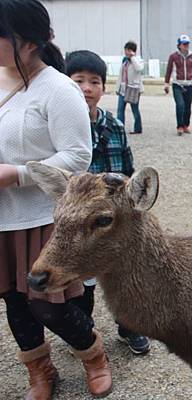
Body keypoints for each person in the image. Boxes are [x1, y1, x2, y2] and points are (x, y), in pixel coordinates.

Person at [0, 1, 112, 398]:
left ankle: (94, 355)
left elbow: (77, 156)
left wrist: (16, 174)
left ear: (27, 41)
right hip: (2, 219)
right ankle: (40, 371)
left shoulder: (58, 89)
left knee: (49, 305)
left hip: (42, 216)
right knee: (14, 302)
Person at [65, 50, 151, 355]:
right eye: (78, 81)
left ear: (104, 87)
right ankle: (83, 331)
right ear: (66, 83)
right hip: (81, 224)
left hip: (113, 221)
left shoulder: (114, 125)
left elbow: (129, 169)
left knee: (123, 278)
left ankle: (129, 327)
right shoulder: (62, 128)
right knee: (82, 282)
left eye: (94, 81)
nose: (87, 88)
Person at [164, 34, 192, 136]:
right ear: (179, 45)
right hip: (177, 84)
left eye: (187, 44)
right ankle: (179, 126)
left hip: (189, 84)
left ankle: (185, 125)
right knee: (180, 105)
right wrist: (166, 83)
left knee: (188, 106)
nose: (186, 46)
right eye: (184, 44)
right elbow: (169, 70)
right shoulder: (173, 57)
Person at [116, 41, 143, 134]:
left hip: (133, 88)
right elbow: (121, 75)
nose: (126, 52)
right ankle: (120, 128)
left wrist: (133, 57)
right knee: (120, 110)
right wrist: (117, 88)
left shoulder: (137, 60)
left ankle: (138, 128)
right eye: (126, 50)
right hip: (123, 88)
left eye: (128, 50)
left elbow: (139, 68)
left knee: (135, 109)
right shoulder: (124, 61)